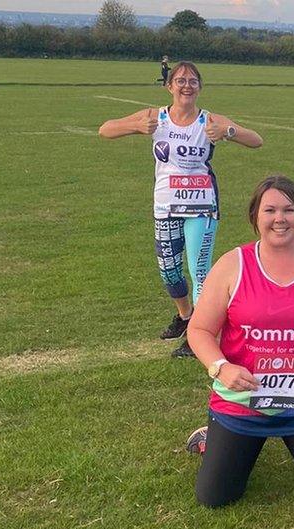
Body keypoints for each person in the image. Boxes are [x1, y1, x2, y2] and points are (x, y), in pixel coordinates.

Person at [187, 175, 294, 507]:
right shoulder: (231, 265)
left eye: (288, 210)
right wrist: (221, 368)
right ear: (255, 217)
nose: (279, 219)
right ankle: (212, 438)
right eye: (269, 210)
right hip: (241, 403)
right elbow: (199, 330)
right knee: (215, 497)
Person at [99, 61, 263, 358]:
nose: (187, 85)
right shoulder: (155, 117)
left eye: (193, 81)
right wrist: (135, 126)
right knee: (169, 273)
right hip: (165, 205)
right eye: (180, 80)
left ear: (200, 87)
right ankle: (185, 316)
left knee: (200, 271)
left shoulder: (208, 120)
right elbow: (105, 130)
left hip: (201, 207)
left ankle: (198, 334)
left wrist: (226, 131)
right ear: (169, 86)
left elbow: (255, 140)